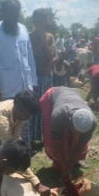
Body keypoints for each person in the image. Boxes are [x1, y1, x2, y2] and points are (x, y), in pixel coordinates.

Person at [0, 0, 37, 102]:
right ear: (3, 13)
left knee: (25, 117)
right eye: (9, 13)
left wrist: (34, 83)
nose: (12, 17)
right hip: (6, 89)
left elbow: (30, 59)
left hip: (26, 89)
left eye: (15, 14)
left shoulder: (24, 30)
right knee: (5, 118)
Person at [40, 86, 97, 183]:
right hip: (51, 97)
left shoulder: (92, 123)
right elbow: (57, 143)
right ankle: (59, 163)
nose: (78, 134)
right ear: (70, 121)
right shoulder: (58, 115)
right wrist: (63, 167)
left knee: (75, 139)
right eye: (76, 130)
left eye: (81, 132)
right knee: (53, 137)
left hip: (72, 95)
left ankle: (70, 162)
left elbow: (80, 145)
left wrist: (69, 167)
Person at [29, 8, 58, 143]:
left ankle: (42, 135)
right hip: (32, 76)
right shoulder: (28, 36)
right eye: (37, 20)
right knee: (32, 104)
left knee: (44, 105)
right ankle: (30, 135)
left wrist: (43, 41)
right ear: (34, 21)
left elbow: (52, 57)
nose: (39, 23)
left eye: (42, 20)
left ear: (46, 21)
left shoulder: (49, 37)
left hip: (45, 75)